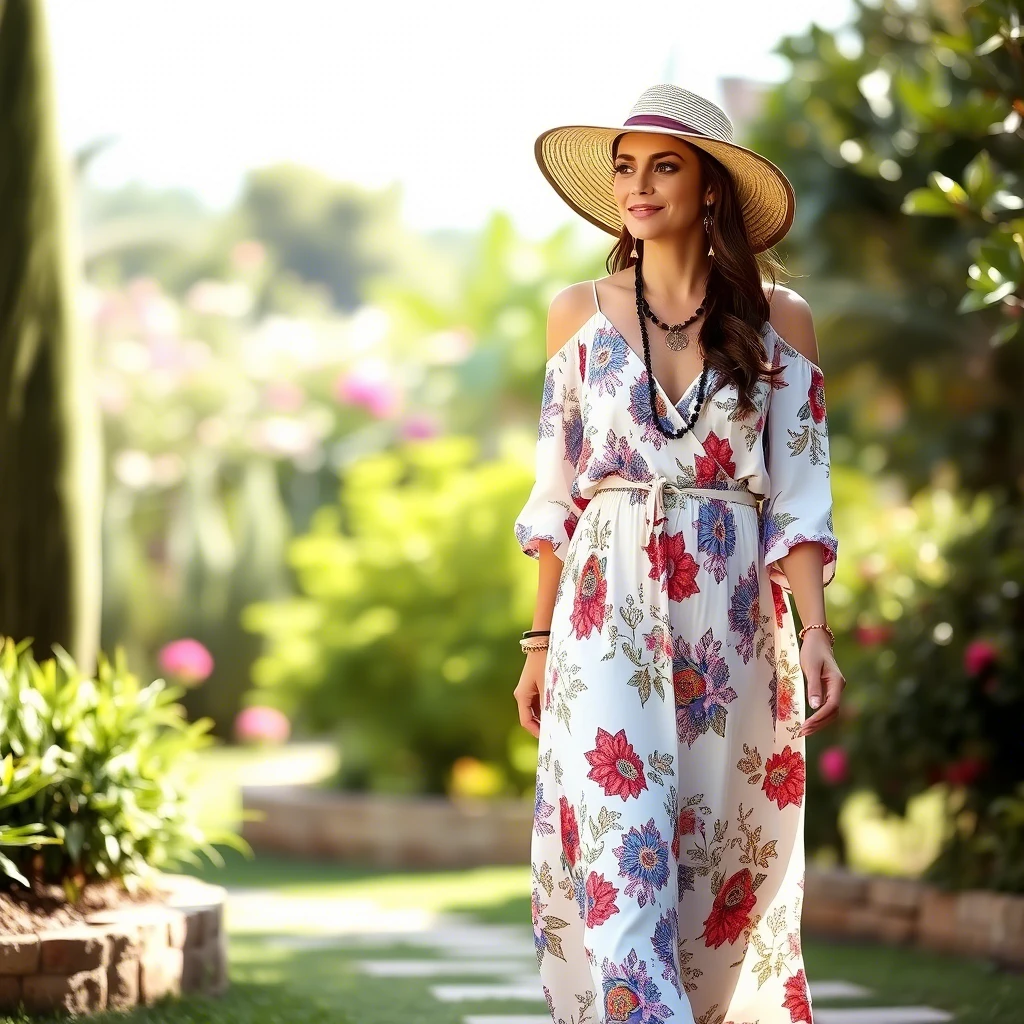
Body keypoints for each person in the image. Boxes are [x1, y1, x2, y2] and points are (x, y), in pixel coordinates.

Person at [512, 83, 845, 1024]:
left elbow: (803, 493)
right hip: (602, 610)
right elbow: (555, 491)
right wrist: (537, 645)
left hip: (733, 622)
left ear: (711, 191)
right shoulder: (574, 312)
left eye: (665, 166)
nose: (639, 185)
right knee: (621, 866)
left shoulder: (783, 320)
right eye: (626, 166)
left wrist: (815, 631)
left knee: (714, 888)